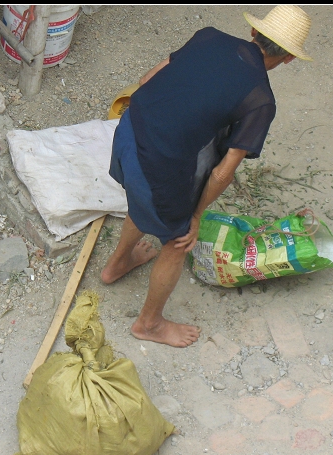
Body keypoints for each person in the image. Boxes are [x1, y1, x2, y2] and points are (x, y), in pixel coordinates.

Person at [101, 5, 313, 348]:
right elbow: (222, 172)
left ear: (254, 31)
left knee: (145, 196)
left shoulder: (208, 37)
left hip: (128, 134)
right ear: (289, 58)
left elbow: (146, 80)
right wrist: (196, 217)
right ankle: (149, 324)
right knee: (178, 240)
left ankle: (116, 264)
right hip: (157, 165)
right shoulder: (260, 100)